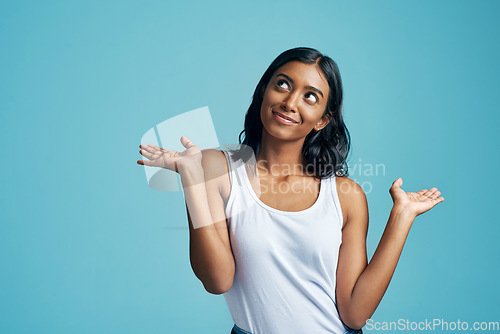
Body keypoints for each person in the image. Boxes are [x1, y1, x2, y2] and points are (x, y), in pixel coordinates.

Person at [137, 47, 444, 334]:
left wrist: (402, 216)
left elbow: (354, 312)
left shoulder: (345, 195)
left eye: (310, 96)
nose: (291, 101)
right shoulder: (218, 168)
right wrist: (191, 178)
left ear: (323, 119)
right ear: (264, 92)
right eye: (282, 84)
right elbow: (217, 279)